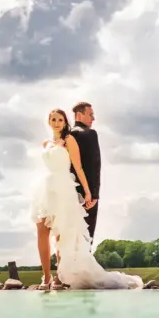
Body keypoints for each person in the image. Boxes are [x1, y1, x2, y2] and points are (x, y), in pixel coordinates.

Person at [32, 108, 142, 290]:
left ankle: (60, 277)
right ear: (49, 122)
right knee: (42, 230)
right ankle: (45, 276)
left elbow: (79, 167)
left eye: (60, 119)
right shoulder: (46, 143)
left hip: (65, 188)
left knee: (62, 234)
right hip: (46, 188)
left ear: (65, 121)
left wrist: (88, 192)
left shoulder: (69, 140)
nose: (57, 122)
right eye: (54, 119)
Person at [67, 101, 101, 243]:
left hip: (68, 192)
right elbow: (94, 166)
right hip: (87, 196)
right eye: (90, 115)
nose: (93, 119)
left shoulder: (67, 136)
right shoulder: (90, 134)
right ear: (79, 115)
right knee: (86, 236)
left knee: (70, 236)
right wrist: (94, 194)